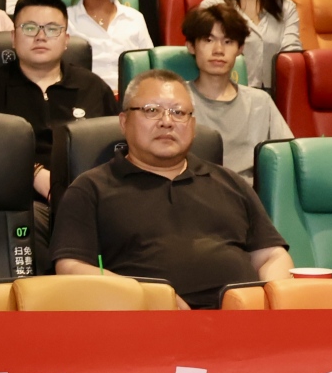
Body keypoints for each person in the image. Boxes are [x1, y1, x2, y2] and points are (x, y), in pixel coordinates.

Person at [49, 68, 292, 308]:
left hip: (240, 319)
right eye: (151, 110)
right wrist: (150, 297)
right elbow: (71, 267)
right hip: (144, 321)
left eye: (178, 112)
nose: (167, 122)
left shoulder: (230, 182)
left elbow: (272, 256)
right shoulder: (91, 188)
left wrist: (266, 305)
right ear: (124, 122)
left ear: (193, 125)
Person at [0, 0, 118, 213]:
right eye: (29, 28)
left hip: (88, 197)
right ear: (13, 38)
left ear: (66, 40)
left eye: (52, 29)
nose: (40, 36)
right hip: (19, 201)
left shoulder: (93, 87)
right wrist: (35, 173)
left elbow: (113, 148)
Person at [181, 6, 292, 182]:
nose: (218, 50)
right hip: (192, 190)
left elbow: (288, 158)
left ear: (240, 48)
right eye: (208, 40)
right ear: (191, 46)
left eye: (228, 41)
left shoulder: (260, 102)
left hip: (247, 194)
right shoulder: (175, 101)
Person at [67, 0, 153, 92]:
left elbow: (149, 66)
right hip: (83, 95)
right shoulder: (65, 19)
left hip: (130, 96)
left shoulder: (134, 18)